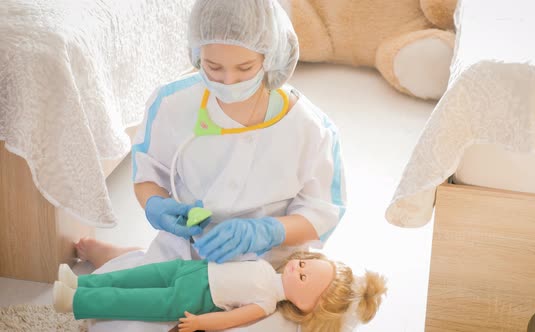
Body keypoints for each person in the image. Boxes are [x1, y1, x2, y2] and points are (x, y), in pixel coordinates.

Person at [79, 0, 346, 269]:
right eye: (213, 67)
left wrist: (266, 231)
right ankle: (128, 257)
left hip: (273, 260)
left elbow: (322, 213)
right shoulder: (172, 104)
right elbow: (148, 175)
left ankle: (127, 256)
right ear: (196, 53)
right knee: (152, 295)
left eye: (245, 68)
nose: (228, 81)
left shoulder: (310, 128)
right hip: (191, 248)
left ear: (270, 57)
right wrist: (156, 205)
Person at [54, 252, 386, 332]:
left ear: (302, 304)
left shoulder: (266, 302)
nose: (297, 267)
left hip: (190, 300)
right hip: (192, 269)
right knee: (136, 277)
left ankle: (74, 301)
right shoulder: (267, 263)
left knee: (134, 301)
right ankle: (82, 283)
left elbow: (232, 318)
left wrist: (199, 323)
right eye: (303, 263)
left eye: (303, 278)